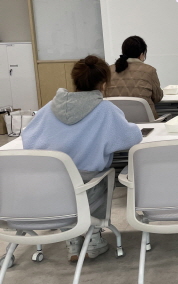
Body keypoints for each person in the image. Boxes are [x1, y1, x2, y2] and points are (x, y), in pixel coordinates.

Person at [22, 55, 143, 261]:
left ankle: (72, 241)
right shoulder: (105, 110)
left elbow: (29, 138)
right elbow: (131, 137)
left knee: (68, 184)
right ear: (103, 84)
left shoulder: (50, 107)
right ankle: (93, 239)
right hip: (89, 187)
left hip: (53, 187)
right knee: (102, 175)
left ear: (75, 81)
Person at [106, 36, 164, 118]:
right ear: (142, 54)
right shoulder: (149, 71)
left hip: (117, 121)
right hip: (147, 123)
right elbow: (157, 97)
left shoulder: (108, 70)